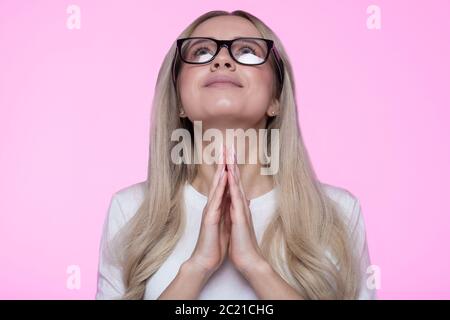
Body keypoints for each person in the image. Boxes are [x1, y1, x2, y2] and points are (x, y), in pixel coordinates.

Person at [95, 10, 377, 300]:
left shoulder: (337, 212)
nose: (222, 59)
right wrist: (196, 268)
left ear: (275, 99)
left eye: (247, 51)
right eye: (202, 51)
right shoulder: (131, 210)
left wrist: (256, 267)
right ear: (179, 100)